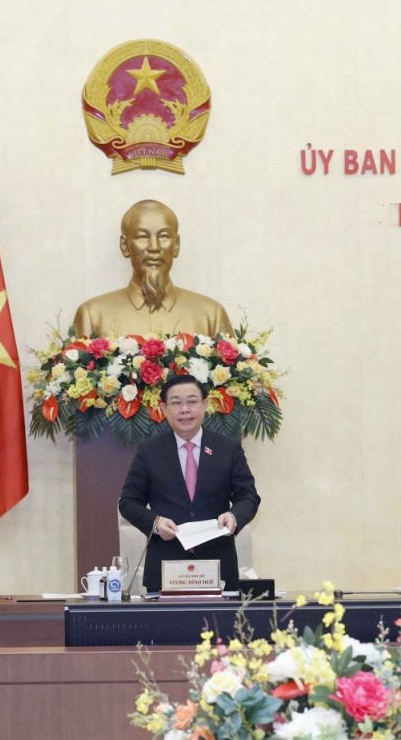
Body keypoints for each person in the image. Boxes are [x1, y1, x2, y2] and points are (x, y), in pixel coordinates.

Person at [119, 376, 261, 592]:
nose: (185, 409)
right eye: (176, 403)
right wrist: (155, 523)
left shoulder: (227, 449)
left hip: (219, 568)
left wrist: (233, 516)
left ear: (205, 404)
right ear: (164, 409)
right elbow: (128, 502)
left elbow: (248, 497)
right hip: (165, 568)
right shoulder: (149, 452)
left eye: (192, 401)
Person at [72, 200, 234, 338]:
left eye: (164, 236)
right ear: (125, 245)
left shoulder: (211, 315)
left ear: (176, 245)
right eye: (142, 236)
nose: (154, 247)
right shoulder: (93, 315)